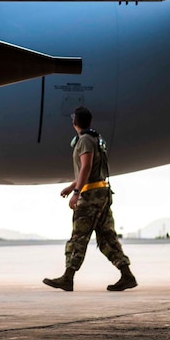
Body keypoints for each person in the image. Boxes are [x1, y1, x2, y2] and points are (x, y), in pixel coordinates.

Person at [43, 106, 137, 292]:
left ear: (74, 122)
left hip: (91, 196)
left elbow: (86, 166)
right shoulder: (95, 137)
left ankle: (68, 277)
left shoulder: (85, 140)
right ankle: (127, 275)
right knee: (106, 236)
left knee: (79, 236)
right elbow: (91, 169)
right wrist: (71, 187)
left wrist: (76, 192)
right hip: (101, 193)